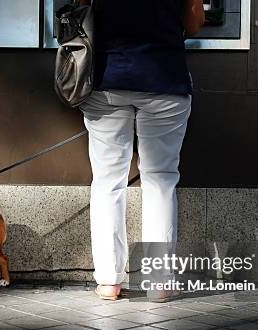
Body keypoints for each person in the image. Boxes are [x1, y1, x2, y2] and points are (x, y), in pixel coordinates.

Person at [79, 0, 204, 301]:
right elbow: (194, 23)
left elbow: (82, 11)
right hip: (165, 81)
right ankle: (159, 282)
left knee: (108, 181)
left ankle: (109, 281)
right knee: (160, 180)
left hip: (107, 79)